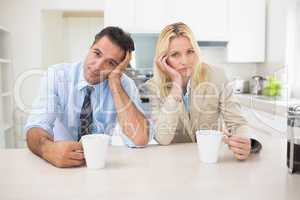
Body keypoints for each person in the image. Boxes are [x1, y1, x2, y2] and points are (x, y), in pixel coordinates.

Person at [25, 26, 149, 168]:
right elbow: (36, 126)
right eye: (97, 53)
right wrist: (48, 150)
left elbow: (139, 139)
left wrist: (115, 83)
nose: (97, 66)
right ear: (90, 47)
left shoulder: (124, 85)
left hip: (99, 165)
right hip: (57, 166)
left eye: (111, 63)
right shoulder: (57, 75)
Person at [144, 22, 261, 160]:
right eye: (175, 54)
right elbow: (163, 139)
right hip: (175, 163)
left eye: (190, 51)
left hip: (211, 159)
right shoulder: (153, 86)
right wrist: (175, 88)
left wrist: (242, 141)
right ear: (163, 59)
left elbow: (238, 123)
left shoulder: (216, 75)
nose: (185, 61)